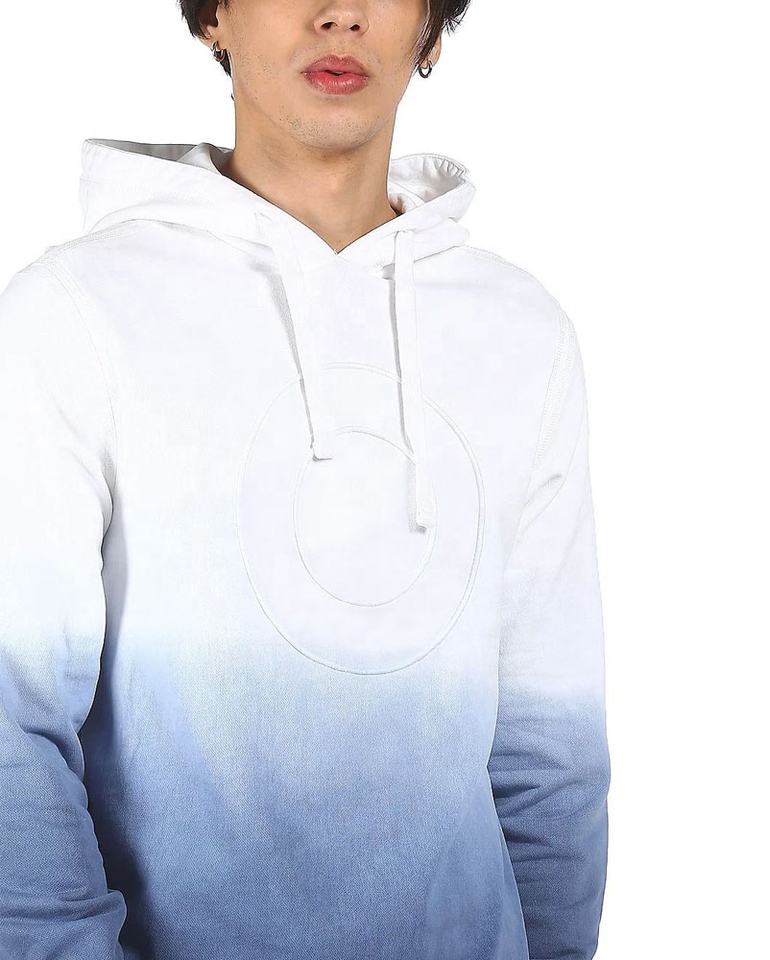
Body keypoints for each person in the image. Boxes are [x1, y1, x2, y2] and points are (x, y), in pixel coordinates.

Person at [0, 2, 611, 958]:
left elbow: (551, 747)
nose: (341, 14)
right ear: (215, 17)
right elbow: (13, 727)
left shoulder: (521, 333)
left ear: (430, 30)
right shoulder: (73, 314)